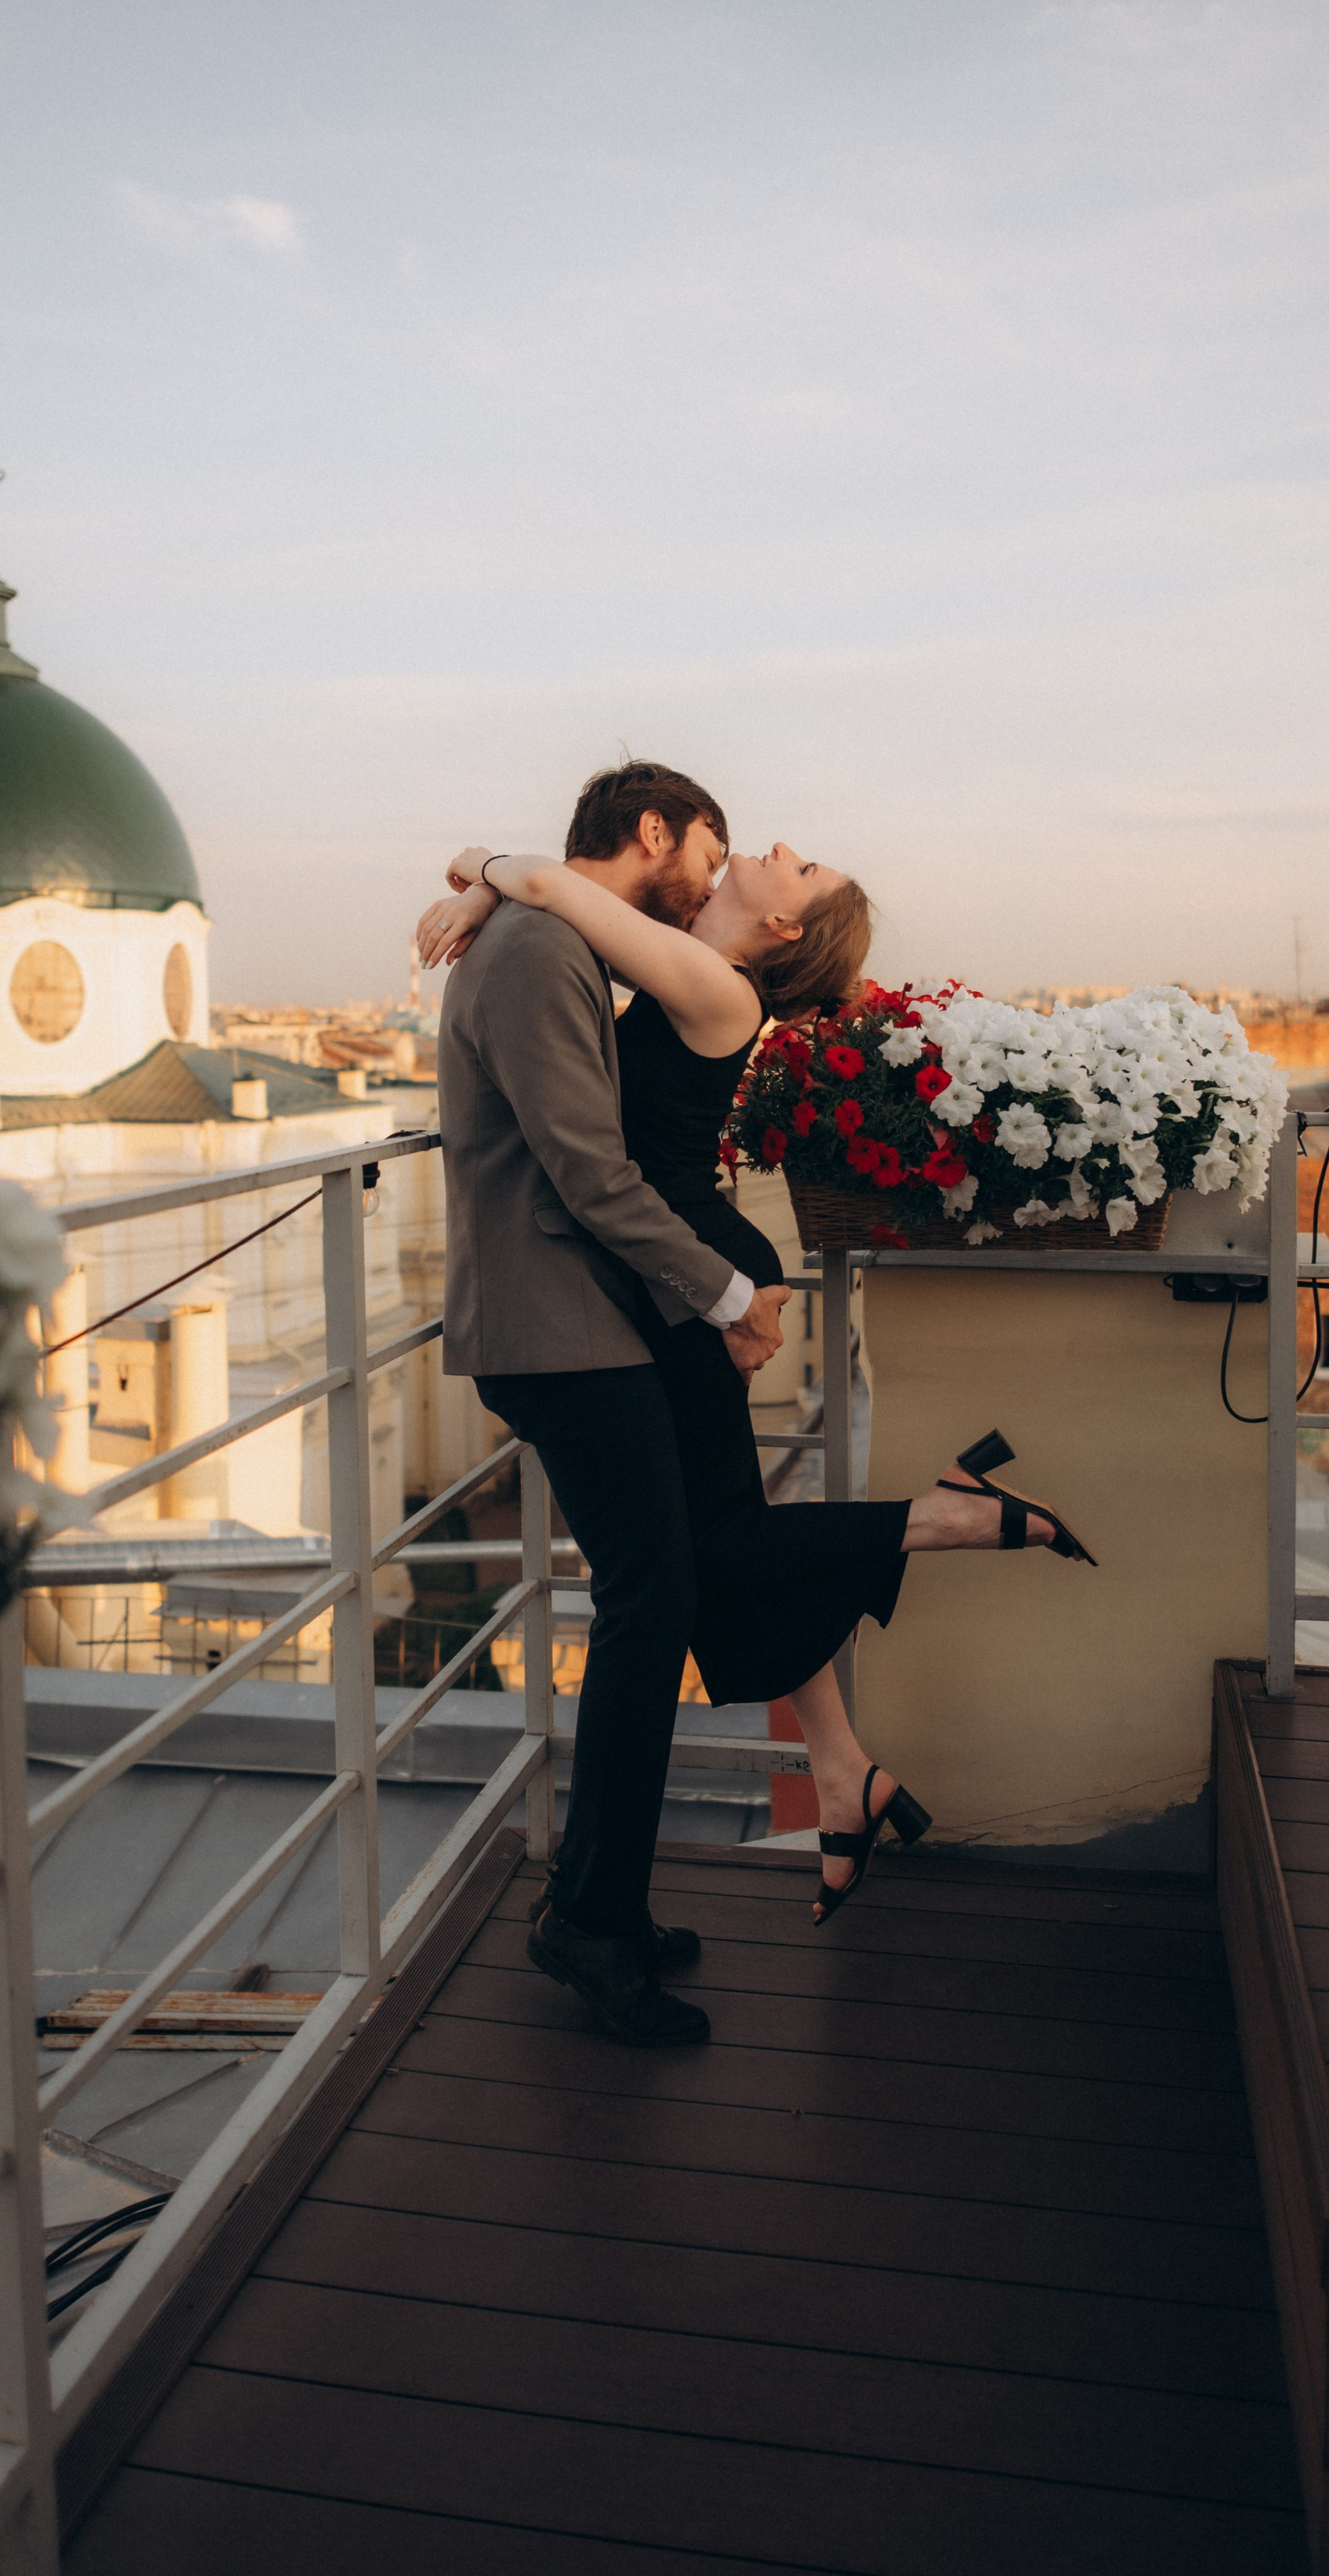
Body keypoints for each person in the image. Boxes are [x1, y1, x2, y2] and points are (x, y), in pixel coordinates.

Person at [421, 776, 1091, 1925]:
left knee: (709, 1555)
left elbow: (548, 891)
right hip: (672, 1273)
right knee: (714, 1548)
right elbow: (567, 917)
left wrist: (485, 873)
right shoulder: (669, 953)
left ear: (784, 929)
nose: (778, 846)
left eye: (800, 865)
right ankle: (844, 1763)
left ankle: (943, 1531)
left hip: (679, 1275)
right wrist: (494, 891)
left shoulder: (710, 982)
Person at [433, 762, 785, 2047]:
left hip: (576, 1325)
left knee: (657, 1600)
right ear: (655, 835)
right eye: (712, 845)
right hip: (556, 1331)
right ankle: (589, 1922)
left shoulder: (548, 936)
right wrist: (723, 1294)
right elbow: (586, 1165)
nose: (712, 873)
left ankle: (607, 1909)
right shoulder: (536, 953)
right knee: (652, 1607)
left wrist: (482, 871)